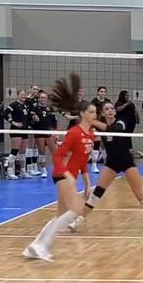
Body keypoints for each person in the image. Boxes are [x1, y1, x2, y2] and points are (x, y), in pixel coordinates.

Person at [24, 75, 97, 262]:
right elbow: (57, 155)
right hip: (62, 174)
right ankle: (42, 247)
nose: (94, 115)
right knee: (76, 210)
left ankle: (34, 246)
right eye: (91, 112)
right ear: (82, 114)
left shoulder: (90, 135)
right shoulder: (74, 133)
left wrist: (88, 183)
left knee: (61, 215)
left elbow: (83, 161)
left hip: (71, 176)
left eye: (95, 112)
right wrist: (66, 174)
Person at [72, 101, 143, 232]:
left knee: (140, 196)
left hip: (126, 161)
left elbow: (114, 130)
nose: (110, 110)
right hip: (112, 162)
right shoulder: (99, 126)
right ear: (103, 113)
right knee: (97, 193)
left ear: (115, 111)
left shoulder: (121, 122)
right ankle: (78, 221)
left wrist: (95, 122)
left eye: (112, 108)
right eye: (107, 109)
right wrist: (83, 117)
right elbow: (83, 127)